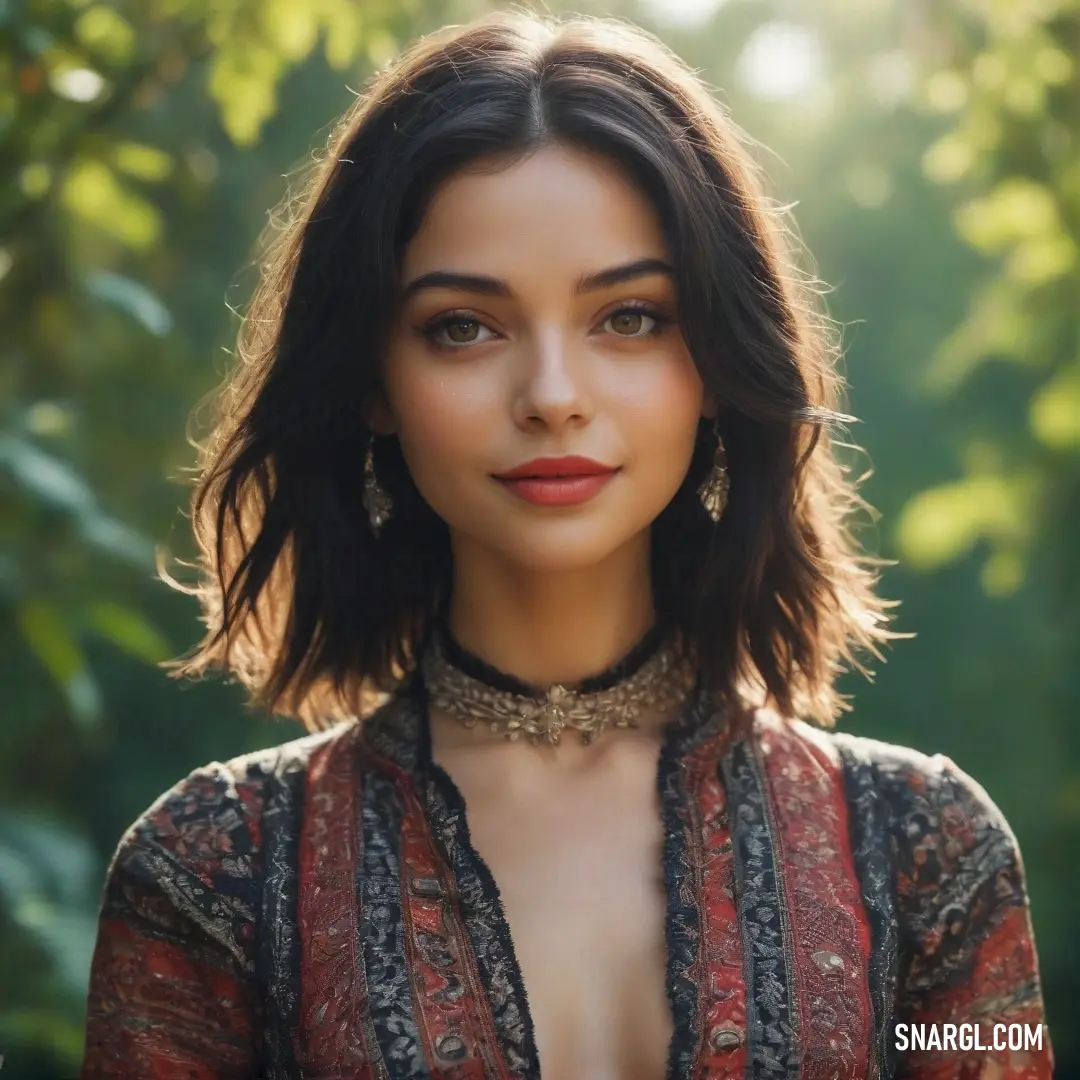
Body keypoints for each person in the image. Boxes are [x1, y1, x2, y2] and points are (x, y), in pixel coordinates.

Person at [78, 10, 1055, 1080]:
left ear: (719, 362)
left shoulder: (929, 857)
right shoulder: (213, 877)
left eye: (628, 316)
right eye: (465, 325)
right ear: (374, 385)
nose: (552, 396)